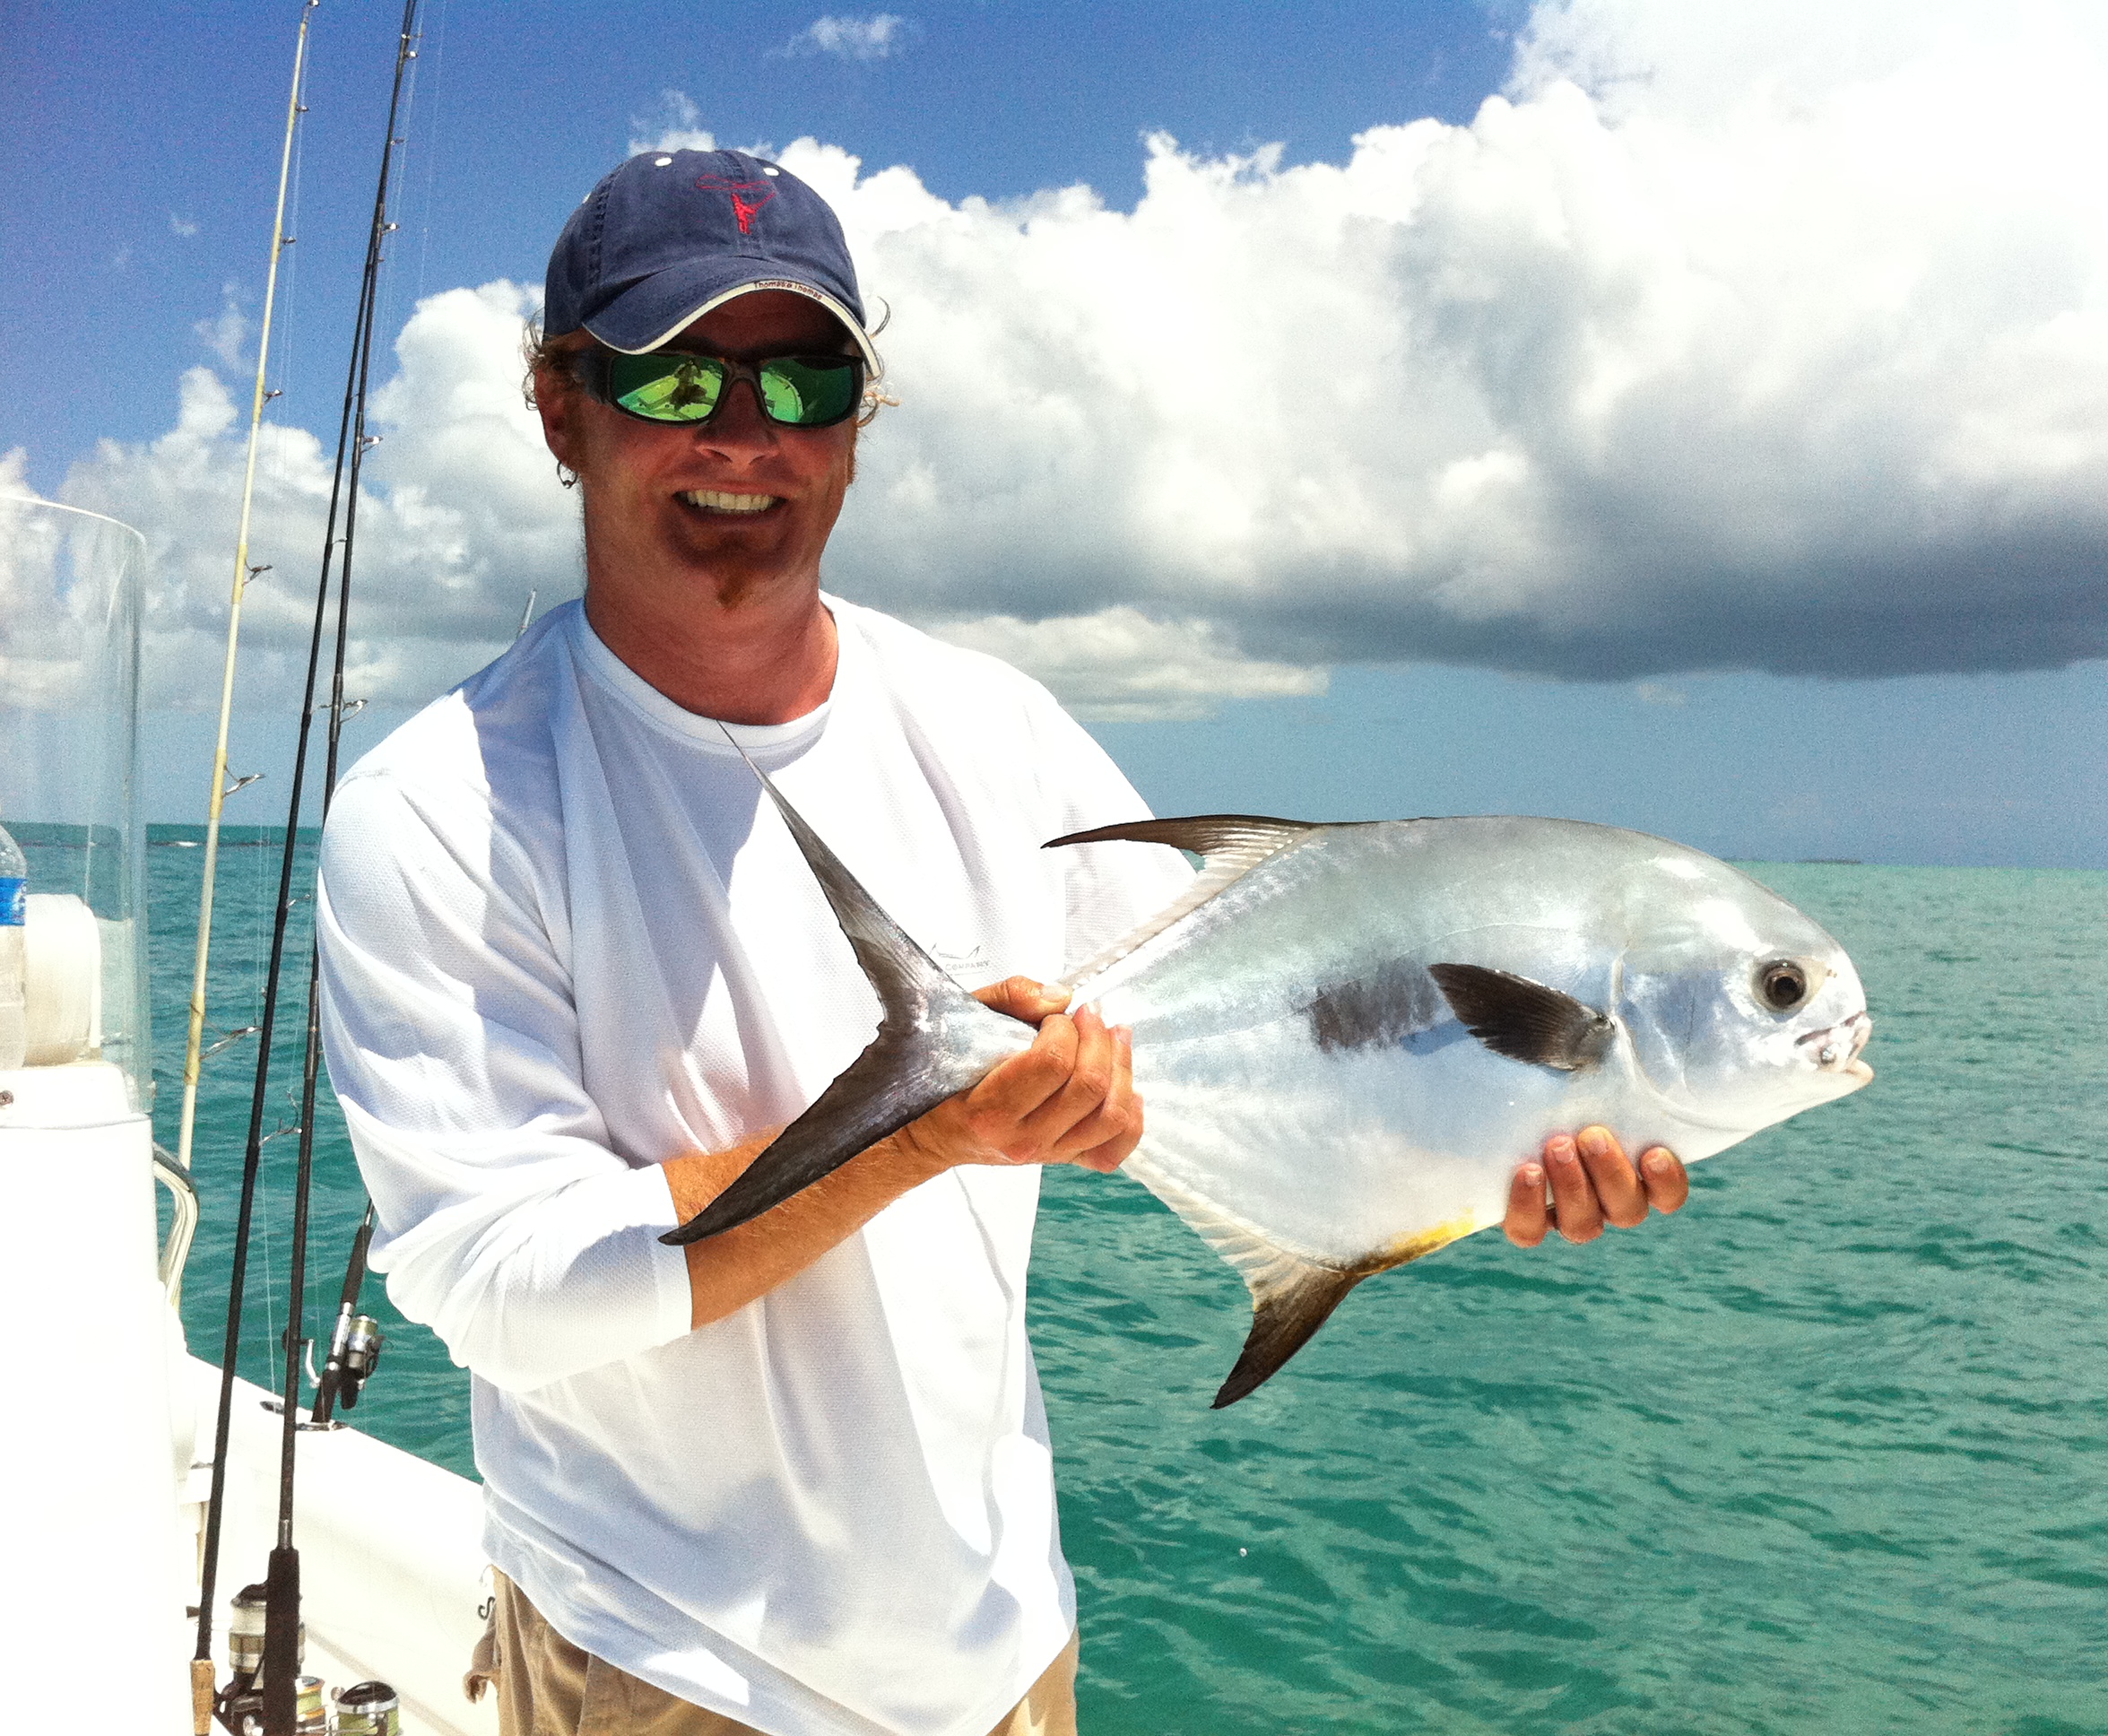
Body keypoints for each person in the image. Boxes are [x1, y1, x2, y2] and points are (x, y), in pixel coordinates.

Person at [315, 147, 1687, 1736]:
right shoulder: (439, 810)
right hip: (670, 1662)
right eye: (680, 380)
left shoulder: (997, 733)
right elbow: (506, 1293)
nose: (748, 438)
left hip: (1001, 1647)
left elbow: (1273, 1033)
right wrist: (924, 1135)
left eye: (808, 377)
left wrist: (1498, 1141)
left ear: (860, 419)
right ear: (563, 408)